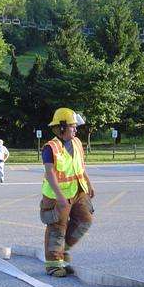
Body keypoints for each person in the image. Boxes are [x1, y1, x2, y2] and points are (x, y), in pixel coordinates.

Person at [40, 108, 95, 277]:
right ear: (62, 128)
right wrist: (60, 196)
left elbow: (80, 165)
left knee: (85, 220)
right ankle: (53, 265)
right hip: (58, 196)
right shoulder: (51, 148)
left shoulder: (77, 142)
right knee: (57, 228)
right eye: (73, 126)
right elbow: (50, 173)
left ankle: (62, 250)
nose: (76, 129)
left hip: (78, 190)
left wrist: (88, 182)